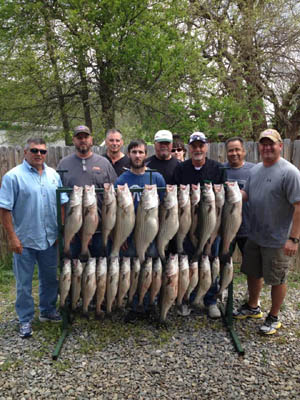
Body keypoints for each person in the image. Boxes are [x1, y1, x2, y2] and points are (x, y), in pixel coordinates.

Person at [0, 138, 69, 338]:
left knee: (50, 279)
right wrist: (12, 238)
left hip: (49, 239)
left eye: (42, 151)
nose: (39, 154)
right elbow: (4, 210)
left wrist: (59, 230)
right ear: (25, 152)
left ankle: (47, 311)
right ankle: (25, 319)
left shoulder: (54, 175)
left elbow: (62, 204)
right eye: (34, 150)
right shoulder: (13, 177)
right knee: (24, 283)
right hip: (25, 240)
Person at [233, 129, 300, 335]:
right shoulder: (256, 170)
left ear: (280, 145)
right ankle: (253, 307)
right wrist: (230, 192)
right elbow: (247, 194)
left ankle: (274, 316)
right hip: (255, 235)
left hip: (278, 239)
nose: (267, 147)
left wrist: (293, 239)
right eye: (263, 143)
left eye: (271, 143)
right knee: (253, 273)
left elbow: (299, 206)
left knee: (276, 279)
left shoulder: (290, 172)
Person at [172, 132, 227, 318]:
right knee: (187, 263)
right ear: (189, 148)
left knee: (211, 262)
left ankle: (210, 300)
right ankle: (186, 299)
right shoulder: (181, 169)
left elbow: (223, 201)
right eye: (194, 146)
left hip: (211, 224)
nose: (197, 149)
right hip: (189, 224)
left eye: (200, 145)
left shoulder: (217, 169)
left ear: (206, 147)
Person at [57, 125, 117, 259]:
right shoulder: (63, 164)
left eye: (86, 137)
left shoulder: (104, 163)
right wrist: (63, 228)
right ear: (74, 140)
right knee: (73, 272)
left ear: (91, 139)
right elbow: (58, 197)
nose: (83, 140)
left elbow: (115, 193)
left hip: (99, 230)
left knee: (99, 271)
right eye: (79, 137)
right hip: (72, 229)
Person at [115, 138, 165, 257]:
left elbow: (164, 207)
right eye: (134, 152)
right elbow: (116, 212)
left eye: (141, 152)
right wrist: (120, 235)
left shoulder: (156, 177)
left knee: (150, 270)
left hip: (150, 232)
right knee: (132, 271)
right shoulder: (121, 180)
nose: (137, 156)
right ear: (128, 155)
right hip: (128, 235)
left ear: (146, 155)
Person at [224, 137, 255, 255]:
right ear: (226, 152)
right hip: (226, 227)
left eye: (237, 150)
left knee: (252, 267)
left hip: (248, 229)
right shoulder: (220, 170)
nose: (234, 153)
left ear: (244, 151)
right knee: (224, 262)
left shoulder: (254, 170)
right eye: (230, 150)